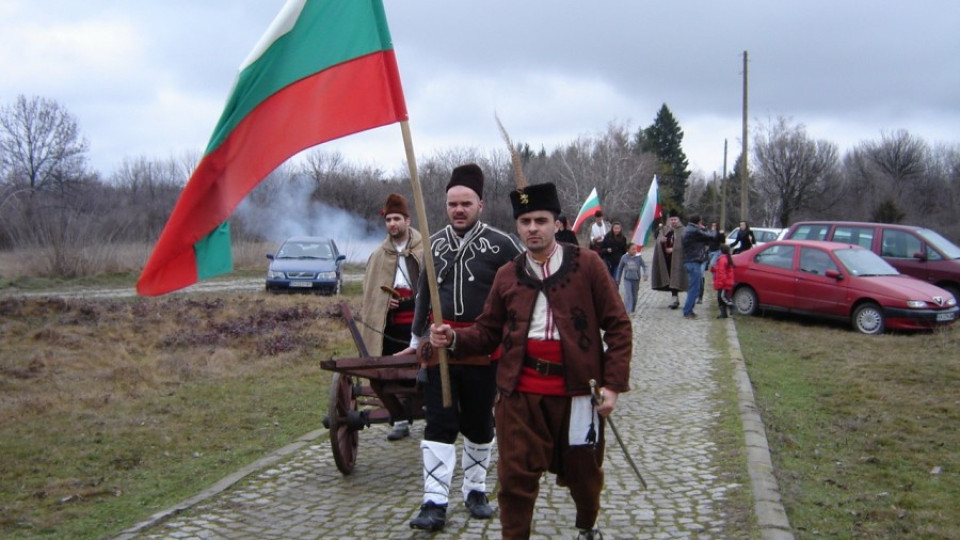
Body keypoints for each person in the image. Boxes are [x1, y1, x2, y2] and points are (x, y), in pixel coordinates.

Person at [428, 182, 631, 540]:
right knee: (514, 478)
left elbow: (618, 326)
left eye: (540, 220)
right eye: (525, 221)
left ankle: (587, 524)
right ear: (517, 226)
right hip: (519, 395)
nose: (532, 228)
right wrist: (455, 338)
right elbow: (488, 331)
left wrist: (612, 386)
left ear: (557, 223)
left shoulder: (588, 265)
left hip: (579, 394)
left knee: (585, 475)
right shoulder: (508, 274)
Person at [405, 163, 524, 531]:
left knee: (478, 422)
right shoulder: (433, 242)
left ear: (480, 205)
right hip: (439, 351)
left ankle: (475, 491)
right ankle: (434, 501)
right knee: (439, 424)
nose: (459, 209)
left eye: (466, 203)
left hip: (483, 350)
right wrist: (415, 338)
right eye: (453, 203)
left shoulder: (504, 245)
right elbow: (425, 292)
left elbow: (520, 296)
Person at [359, 193, 424, 441]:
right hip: (392, 325)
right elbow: (371, 295)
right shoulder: (378, 256)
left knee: (423, 367)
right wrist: (385, 302)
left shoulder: (424, 249)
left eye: (397, 218)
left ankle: (429, 409)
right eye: (388, 219)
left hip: (420, 324)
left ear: (408, 221)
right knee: (392, 369)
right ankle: (398, 417)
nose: (392, 224)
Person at [680, 214, 717, 319]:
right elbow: (711, 237)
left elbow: (705, 240)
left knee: (697, 286)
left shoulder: (688, 230)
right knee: (694, 288)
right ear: (698, 222)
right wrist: (712, 230)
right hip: (693, 261)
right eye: (701, 222)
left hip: (689, 261)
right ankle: (687, 311)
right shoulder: (694, 231)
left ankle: (689, 310)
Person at [650, 210, 687, 309]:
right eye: (672, 220)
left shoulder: (683, 230)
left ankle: (676, 298)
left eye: (675, 219)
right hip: (667, 260)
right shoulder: (665, 229)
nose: (673, 221)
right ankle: (674, 298)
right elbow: (658, 241)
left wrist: (674, 249)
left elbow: (685, 245)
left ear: (678, 220)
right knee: (670, 278)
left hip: (678, 260)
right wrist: (661, 241)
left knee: (676, 278)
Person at [616, 243, 648, 313]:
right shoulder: (624, 257)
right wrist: (618, 279)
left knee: (634, 296)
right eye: (632, 249)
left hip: (636, 279)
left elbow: (644, 266)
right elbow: (620, 268)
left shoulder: (639, 257)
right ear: (628, 250)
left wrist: (645, 274)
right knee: (628, 294)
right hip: (627, 279)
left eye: (635, 249)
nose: (634, 251)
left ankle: (633, 309)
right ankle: (628, 310)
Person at [711, 243, 735, 318]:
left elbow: (721, 272)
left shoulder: (722, 259)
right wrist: (714, 269)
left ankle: (731, 306)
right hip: (726, 282)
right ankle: (723, 313)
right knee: (722, 298)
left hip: (724, 283)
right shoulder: (726, 258)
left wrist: (720, 283)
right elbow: (721, 270)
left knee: (722, 297)